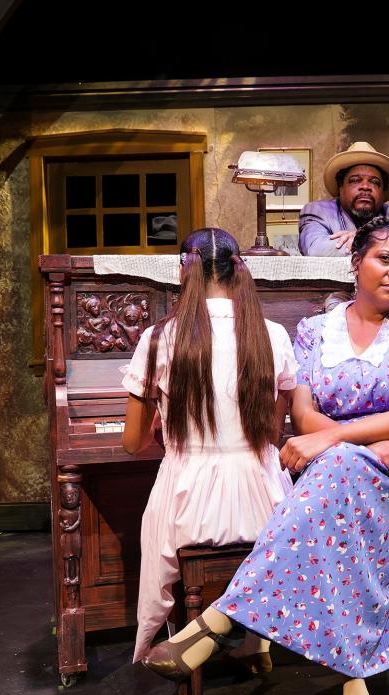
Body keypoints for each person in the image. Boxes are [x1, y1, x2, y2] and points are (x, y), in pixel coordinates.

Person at [140, 216, 389, 695]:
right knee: (336, 494)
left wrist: (343, 437)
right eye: (386, 258)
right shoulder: (316, 329)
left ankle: (219, 620)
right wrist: (347, 440)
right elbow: (304, 413)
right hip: (349, 466)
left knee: (330, 471)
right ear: (355, 261)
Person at [121, 228, 297, 666]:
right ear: (241, 269)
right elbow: (272, 432)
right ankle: (258, 641)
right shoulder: (272, 334)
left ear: (185, 270)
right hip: (264, 500)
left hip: (192, 502)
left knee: (157, 517)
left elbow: (131, 444)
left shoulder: (159, 338)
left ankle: (177, 640)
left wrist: (166, 423)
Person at [298, 142, 389, 259]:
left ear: (383, 193)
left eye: (375, 182)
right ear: (340, 188)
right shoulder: (318, 211)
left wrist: (368, 236)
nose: (365, 187)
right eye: (355, 180)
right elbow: (315, 249)